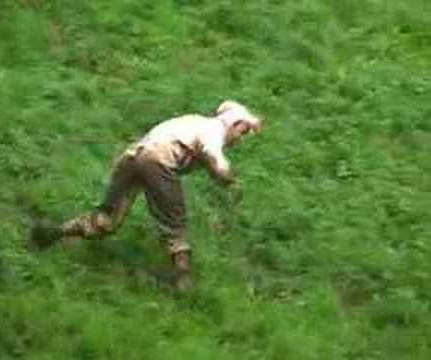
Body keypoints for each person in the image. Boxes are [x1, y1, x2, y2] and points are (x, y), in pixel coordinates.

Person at [31, 100, 262, 290]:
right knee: (176, 224)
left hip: (134, 155)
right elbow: (216, 161)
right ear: (234, 124)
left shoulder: (193, 121)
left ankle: (53, 232)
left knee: (108, 221)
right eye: (242, 132)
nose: (239, 139)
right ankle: (183, 282)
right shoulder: (214, 130)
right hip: (159, 159)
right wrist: (231, 181)